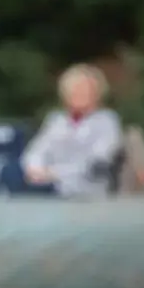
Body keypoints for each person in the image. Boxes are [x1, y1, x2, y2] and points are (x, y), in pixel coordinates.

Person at [19, 64, 122, 197]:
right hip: (51, 191)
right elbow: (35, 152)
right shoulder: (55, 120)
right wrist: (35, 169)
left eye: (86, 90)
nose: (80, 94)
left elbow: (98, 159)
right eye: (75, 89)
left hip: (89, 195)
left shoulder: (107, 121)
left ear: (97, 94)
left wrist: (54, 173)